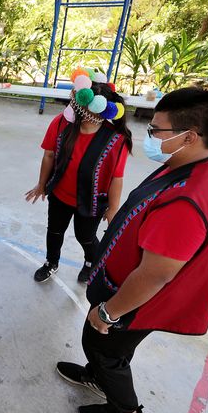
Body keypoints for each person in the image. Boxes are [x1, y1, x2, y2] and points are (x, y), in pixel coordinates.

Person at [56, 88, 208, 413]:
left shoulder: (187, 201)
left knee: (103, 345)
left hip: (142, 298)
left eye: (157, 130)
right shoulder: (200, 163)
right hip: (129, 281)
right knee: (110, 347)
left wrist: (110, 312)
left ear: (191, 136)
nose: (150, 136)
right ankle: (97, 378)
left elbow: (155, 275)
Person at [25, 73, 131, 284]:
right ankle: (51, 262)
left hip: (92, 201)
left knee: (86, 236)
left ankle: (91, 262)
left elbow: (116, 177)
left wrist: (113, 207)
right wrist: (42, 184)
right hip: (60, 194)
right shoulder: (61, 124)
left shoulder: (116, 140)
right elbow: (49, 155)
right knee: (54, 231)